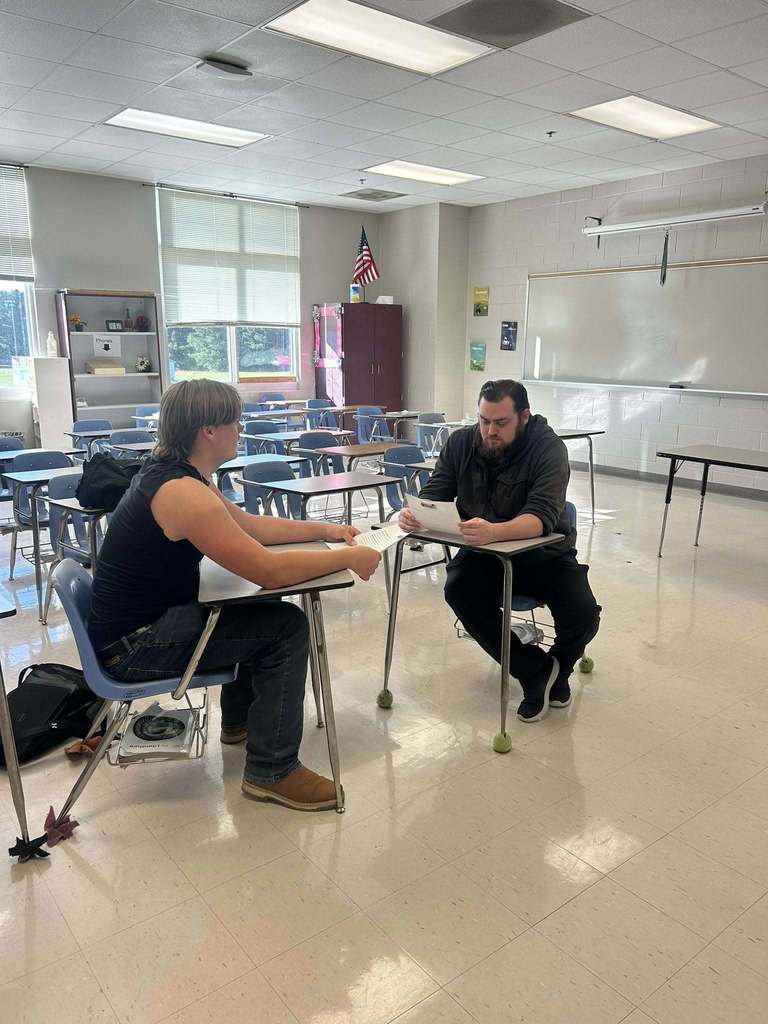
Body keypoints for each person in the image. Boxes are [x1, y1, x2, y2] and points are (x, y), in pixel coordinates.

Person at [89, 379, 380, 811]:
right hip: (136, 647)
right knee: (287, 627)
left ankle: (241, 722)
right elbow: (269, 570)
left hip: (140, 628)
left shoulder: (179, 476)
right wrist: (348, 558)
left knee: (259, 608)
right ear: (209, 430)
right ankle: (273, 770)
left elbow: (249, 525)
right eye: (235, 422)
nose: (240, 430)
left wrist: (327, 531)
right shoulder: (182, 493)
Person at [399, 379, 600, 722]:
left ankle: (559, 671)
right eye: (483, 421)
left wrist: (496, 531)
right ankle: (533, 671)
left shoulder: (548, 448)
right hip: (485, 553)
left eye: (500, 423)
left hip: (544, 554)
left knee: (583, 614)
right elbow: (437, 491)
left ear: (524, 416)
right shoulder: (462, 443)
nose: (490, 431)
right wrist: (416, 514)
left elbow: (542, 516)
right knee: (458, 591)